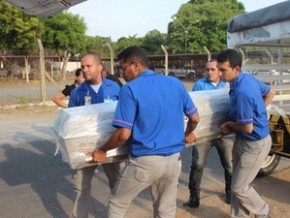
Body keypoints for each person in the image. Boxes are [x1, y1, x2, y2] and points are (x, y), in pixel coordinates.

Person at [92, 46, 200, 218]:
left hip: (146, 162)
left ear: (135, 65)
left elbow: (123, 134)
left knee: (118, 203)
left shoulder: (130, 89)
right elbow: (195, 118)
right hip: (174, 161)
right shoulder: (175, 83)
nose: (121, 73)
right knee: (165, 210)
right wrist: (187, 134)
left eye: (123, 67)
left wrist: (102, 150)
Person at [217, 49, 275, 218]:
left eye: (223, 70)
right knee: (237, 183)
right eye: (218, 69)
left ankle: (263, 212)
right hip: (244, 140)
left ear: (236, 69)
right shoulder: (246, 78)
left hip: (255, 143)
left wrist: (229, 124)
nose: (220, 74)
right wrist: (259, 113)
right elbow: (270, 93)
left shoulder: (243, 91)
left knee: (238, 187)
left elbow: (247, 128)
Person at [68, 52, 126, 218]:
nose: (85, 69)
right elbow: (71, 123)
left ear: (100, 67)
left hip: (111, 145)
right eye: (82, 66)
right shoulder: (77, 93)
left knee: (118, 184)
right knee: (80, 187)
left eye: (88, 66)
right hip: (86, 148)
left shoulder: (115, 88)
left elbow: (123, 115)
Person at [184, 59, 234, 208]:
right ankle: (194, 197)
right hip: (203, 135)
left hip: (223, 132)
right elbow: (192, 108)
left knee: (229, 166)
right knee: (197, 165)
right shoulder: (199, 85)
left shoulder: (226, 85)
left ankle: (230, 193)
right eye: (207, 70)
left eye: (213, 69)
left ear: (219, 70)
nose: (209, 72)